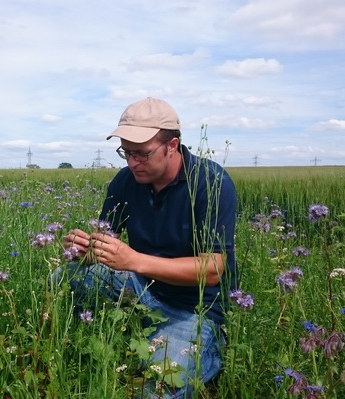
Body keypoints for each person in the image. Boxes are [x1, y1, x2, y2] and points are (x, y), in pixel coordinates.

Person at [58, 97, 238, 398]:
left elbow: (213, 270)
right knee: (63, 280)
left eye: (141, 154)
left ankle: (209, 349)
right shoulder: (126, 181)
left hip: (194, 309)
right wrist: (86, 250)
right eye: (125, 153)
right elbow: (108, 245)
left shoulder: (210, 182)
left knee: (158, 388)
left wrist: (134, 260)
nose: (131, 163)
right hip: (142, 289)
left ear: (172, 145)